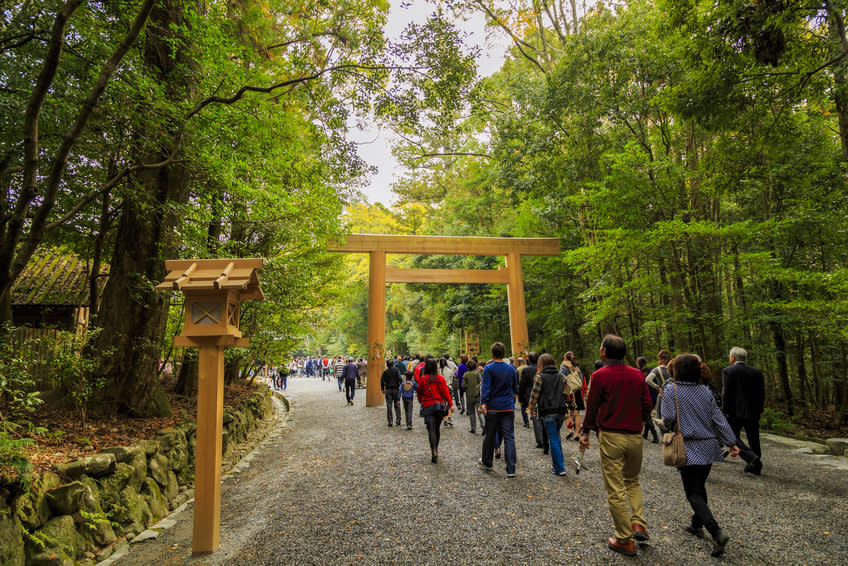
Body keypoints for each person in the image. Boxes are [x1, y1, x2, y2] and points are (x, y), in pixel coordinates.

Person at [579, 335, 653, 557]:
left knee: (615, 488)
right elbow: (647, 404)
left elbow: (591, 407)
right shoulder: (637, 374)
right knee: (632, 481)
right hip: (634, 436)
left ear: (604, 352)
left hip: (611, 434)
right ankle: (638, 523)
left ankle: (624, 539)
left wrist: (585, 432)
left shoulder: (600, 376)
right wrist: (640, 422)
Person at [663, 354, 740, 557]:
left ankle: (716, 532)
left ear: (677, 371)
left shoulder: (672, 390)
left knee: (693, 493)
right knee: (699, 487)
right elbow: (718, 419)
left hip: (687, 448)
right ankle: (696, 524)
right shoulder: (705, 391)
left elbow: (669, 418)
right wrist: (732, 443)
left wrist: (666, 427)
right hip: (708, 447)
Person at [528, 353, 574, 476]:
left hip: (547, 411)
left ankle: (560, 468)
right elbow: (568, 393)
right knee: (556, 437)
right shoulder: (561, 375)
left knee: (553, 438)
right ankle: (557, 465)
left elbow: (534, 395)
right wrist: (571, 407)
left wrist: (532, 407)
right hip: (560, 411)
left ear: (541, 364)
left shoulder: (540, 377)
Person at [721, 347, 765, 475]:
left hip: (734, 411)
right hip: (753, 411)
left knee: (731, 436)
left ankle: (750, 458)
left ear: (733, 358)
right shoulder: (756, 372)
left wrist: (725, 410)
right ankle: (756, 464)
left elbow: (726, 392)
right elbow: (761, 393)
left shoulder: (728, 371)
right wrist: (760, 409)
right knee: (754, 437)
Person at [478, 342, 519, 477]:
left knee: (490, 434)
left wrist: (484, 403)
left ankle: (487, 462)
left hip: (493, 407)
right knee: (509, 437)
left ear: (493, 353)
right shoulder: (511, 369)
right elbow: (514, 388)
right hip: (507, 407)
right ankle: (511, 468)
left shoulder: (488, 368)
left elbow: (486, 387)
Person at [417, 357, 453, 463]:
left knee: (431, 429)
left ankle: (433, 451)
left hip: (427, 406)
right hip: (439, 406)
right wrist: (451, 404)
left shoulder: (423, 379)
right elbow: (445, 393)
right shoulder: (440, 379)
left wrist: (421, 401)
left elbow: (419, 392)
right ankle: (436, 449)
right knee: (436, 429)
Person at [561, 352, 586, 441]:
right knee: (577, 414)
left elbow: (562, 378)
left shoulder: (563, 367)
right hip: (578, 392)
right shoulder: (576, 367)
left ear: (565, 358)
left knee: (566, 412)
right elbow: (582, 380)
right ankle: (577, 434)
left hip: (568, 391)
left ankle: (570, 430)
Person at [637, 356, 659, 444]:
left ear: (638, 363)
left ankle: (655, 437)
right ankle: (645, 434)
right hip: (653, 396)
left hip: (644, 397)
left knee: (647, 416)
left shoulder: (638, 372)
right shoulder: (651, 371)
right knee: (647, 414)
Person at [646, 350, 671, 420]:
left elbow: (648, 379)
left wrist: (657, 387)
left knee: (660, 417)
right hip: (675, 395)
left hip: (662, 395)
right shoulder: (672, 368)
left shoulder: (657, 369)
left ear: (659, 358)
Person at [463, 360, 483, 434]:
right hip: (478, 395)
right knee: (480, 411)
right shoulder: (478, 373)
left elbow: (463, 385)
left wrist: (468, 387)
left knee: (471, 412)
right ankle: (483, 425)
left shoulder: (466, 374)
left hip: (469, 396)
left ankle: (473, 428)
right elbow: (481, 382)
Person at [518, 353, 537, 431]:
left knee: (524, 407)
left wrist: (520, 397)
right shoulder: (541, 368)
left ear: (528, 360)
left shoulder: (526, 370)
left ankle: (526, 421)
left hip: (528, 392)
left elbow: (522, 384)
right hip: (539, 392)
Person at [381, 359, 403, 427]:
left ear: (387, 365)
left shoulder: (385, 372)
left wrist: (382, 389)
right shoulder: (396, 370)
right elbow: (400, 378)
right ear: (393, 364)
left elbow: (382, 381)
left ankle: (390, 421)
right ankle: (398, 419)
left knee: (389, 406)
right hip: (396, 389)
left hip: (388, 389)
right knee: (397, 405)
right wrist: (400, 385)